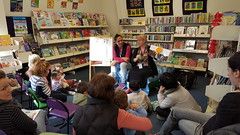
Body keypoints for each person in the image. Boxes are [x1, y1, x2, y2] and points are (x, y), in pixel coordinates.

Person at [157, 51, 240, 135]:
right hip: (214, 119)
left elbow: (216, 128)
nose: (228, 74)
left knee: (180, 121)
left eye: (228, 70)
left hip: (206, 130)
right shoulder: (233, 98)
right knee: (175, 112)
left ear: (236, 73)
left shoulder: (231, 100)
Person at [72, 72, 152, 135]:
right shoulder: (119, 113)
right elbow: (147, 124)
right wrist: (137, 108)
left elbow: (75, 132)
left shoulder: (79, 111)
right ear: (111, 93)